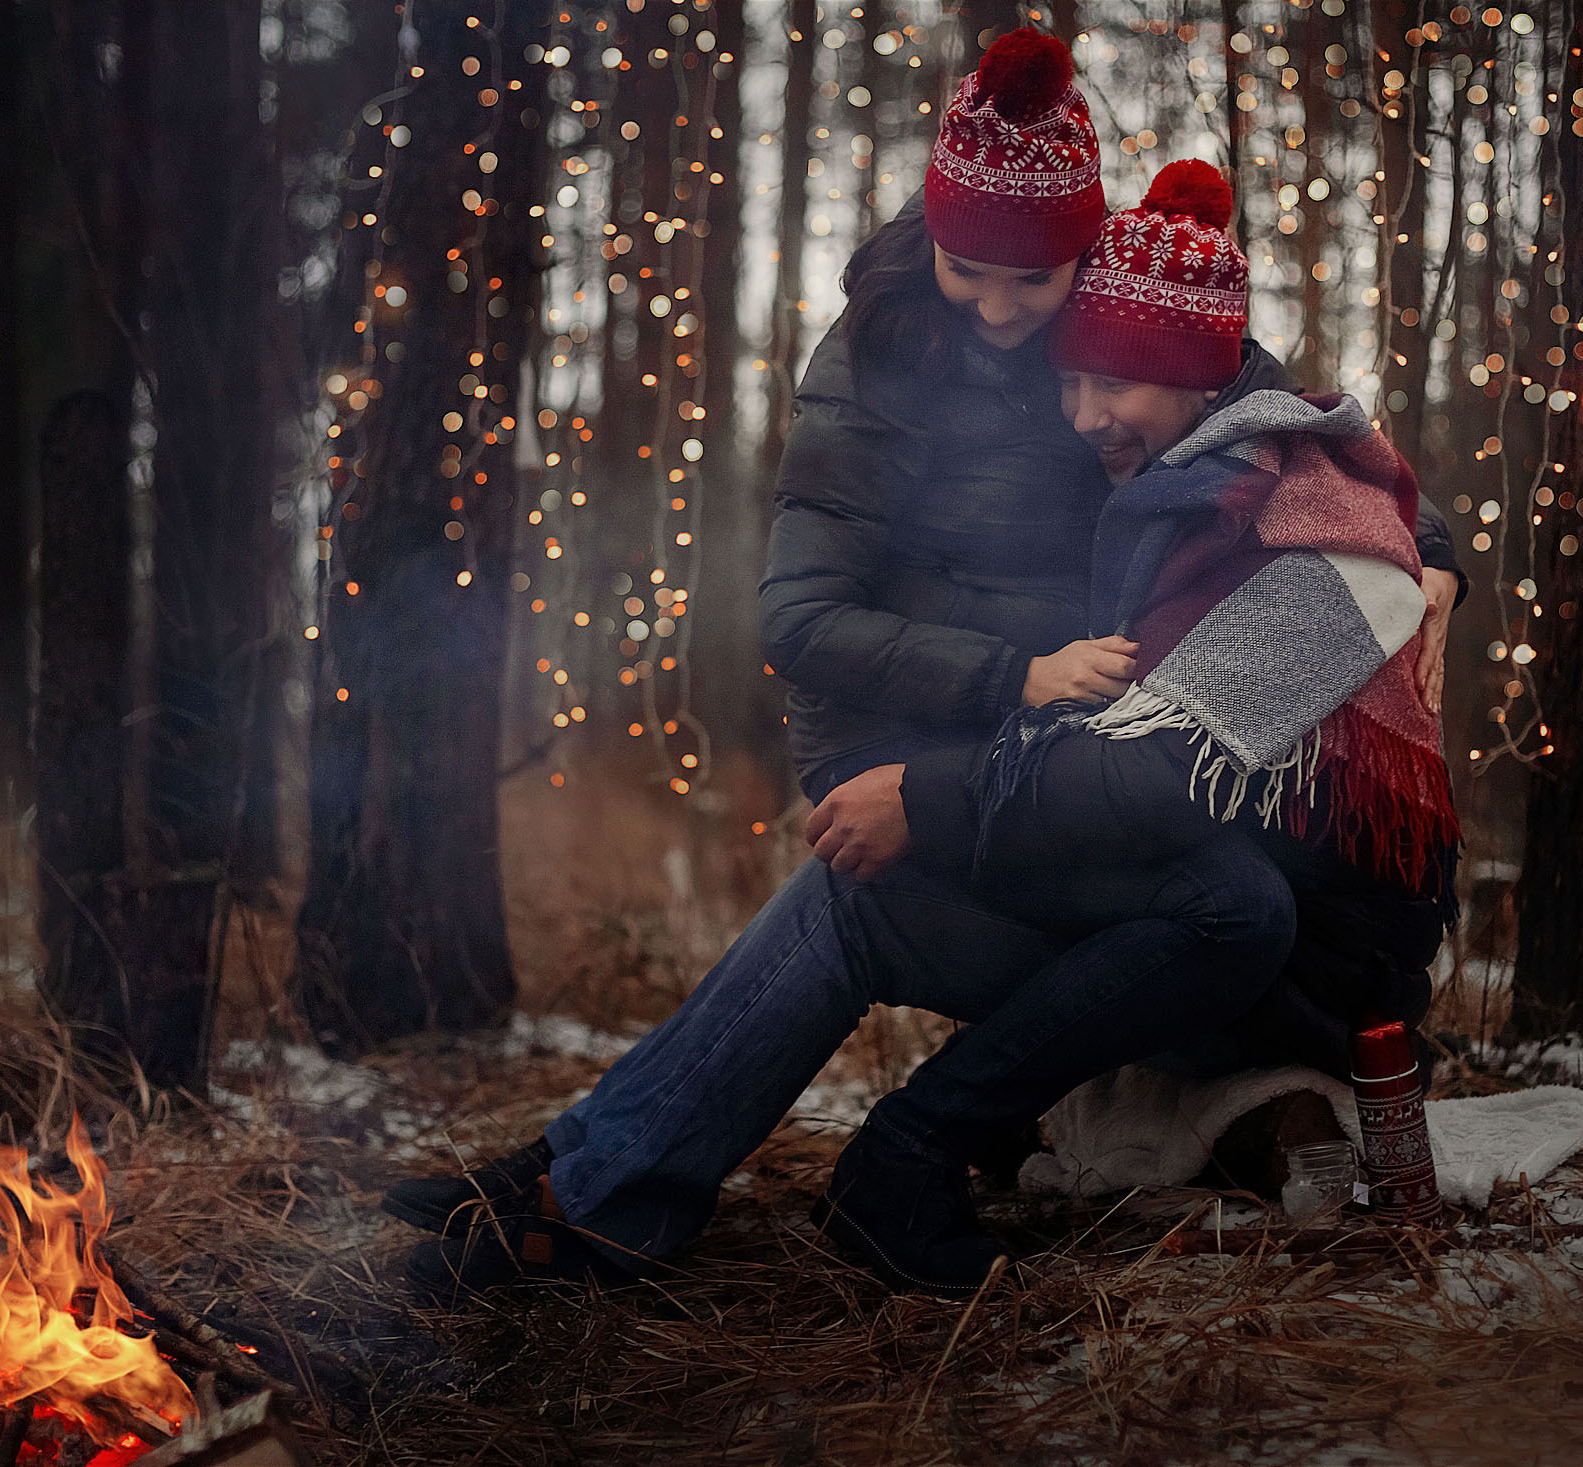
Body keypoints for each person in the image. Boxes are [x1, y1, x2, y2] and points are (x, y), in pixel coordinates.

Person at [381, 36, 1459, 1302]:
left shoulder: (1165, 349)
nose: (1003, 317)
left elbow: (1304, 442)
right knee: (924, 886)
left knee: (1168, 897)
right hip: (971, 728)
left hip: (1089, 762)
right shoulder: (883, 354)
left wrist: (1426, 556)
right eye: (968, 272)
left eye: (1037, 289)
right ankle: (600, 1175)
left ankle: (621, 1180)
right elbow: (803, 614)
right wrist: (1008, 681)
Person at [811, 162, 1459, 1228]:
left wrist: (928, 796)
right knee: (890, 882)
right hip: (1239, 918)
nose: (1082, 418)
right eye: (1069, 385)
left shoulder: (1300, 523)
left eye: (1113, 383)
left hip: (1310, 970)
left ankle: (915, 1144)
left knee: (1202, 901)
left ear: (1204, 379)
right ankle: (628, 1163)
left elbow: (1165, 773)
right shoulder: (1176, 495)